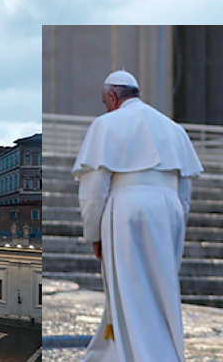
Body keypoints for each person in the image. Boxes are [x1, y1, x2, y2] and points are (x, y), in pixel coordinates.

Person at [74, 70, 202, 362]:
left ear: (112, 97)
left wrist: (93, 233)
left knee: (129, 287)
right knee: (161, 289)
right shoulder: (173, 128)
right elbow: (185, 190)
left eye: (105, 102)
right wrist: (177, 226)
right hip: (169, 210)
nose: (105, 107)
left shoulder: (106, 124)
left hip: (127, 207)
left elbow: (94, 188)